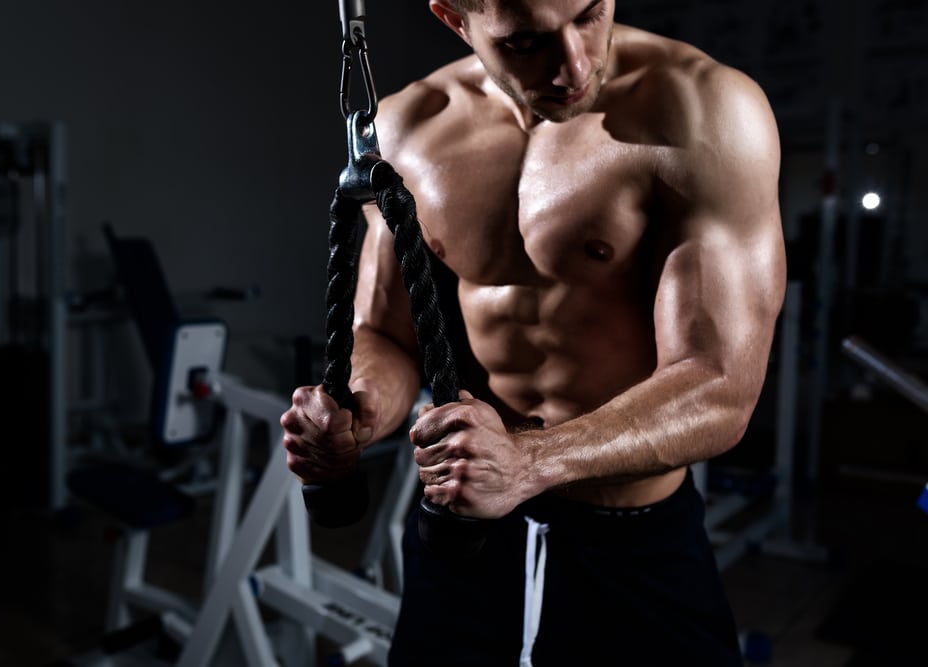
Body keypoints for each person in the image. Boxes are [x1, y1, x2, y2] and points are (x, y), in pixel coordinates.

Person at [280, 0, 785, 664]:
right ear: (455, 20)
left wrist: (528, 463)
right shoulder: (411, 128)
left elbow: (721, 386)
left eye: (589, 14)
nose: (574, 64)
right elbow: (387, 334)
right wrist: (358, 413)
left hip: (631, 538)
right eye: (526, 43)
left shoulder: (703, 111)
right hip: (466, 529)